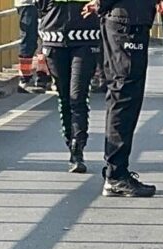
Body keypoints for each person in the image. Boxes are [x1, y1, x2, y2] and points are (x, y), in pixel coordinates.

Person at [83, 0, 157, 197]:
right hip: (127, 22)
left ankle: (116, 171)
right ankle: (116, 174)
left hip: (127, 19)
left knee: (123, 93)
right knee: (124, 94)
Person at [39, 0, 101, 173]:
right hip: (53, 38)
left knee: (78, 97)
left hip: (86, 38)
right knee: (65, 98)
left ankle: (77, 148)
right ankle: (70, 142)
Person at [17, 0, 53, 92]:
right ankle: (25, 78)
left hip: (46, 4)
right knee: (29, 40)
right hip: (29, 4)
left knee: (45, 38)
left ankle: (43, 76)